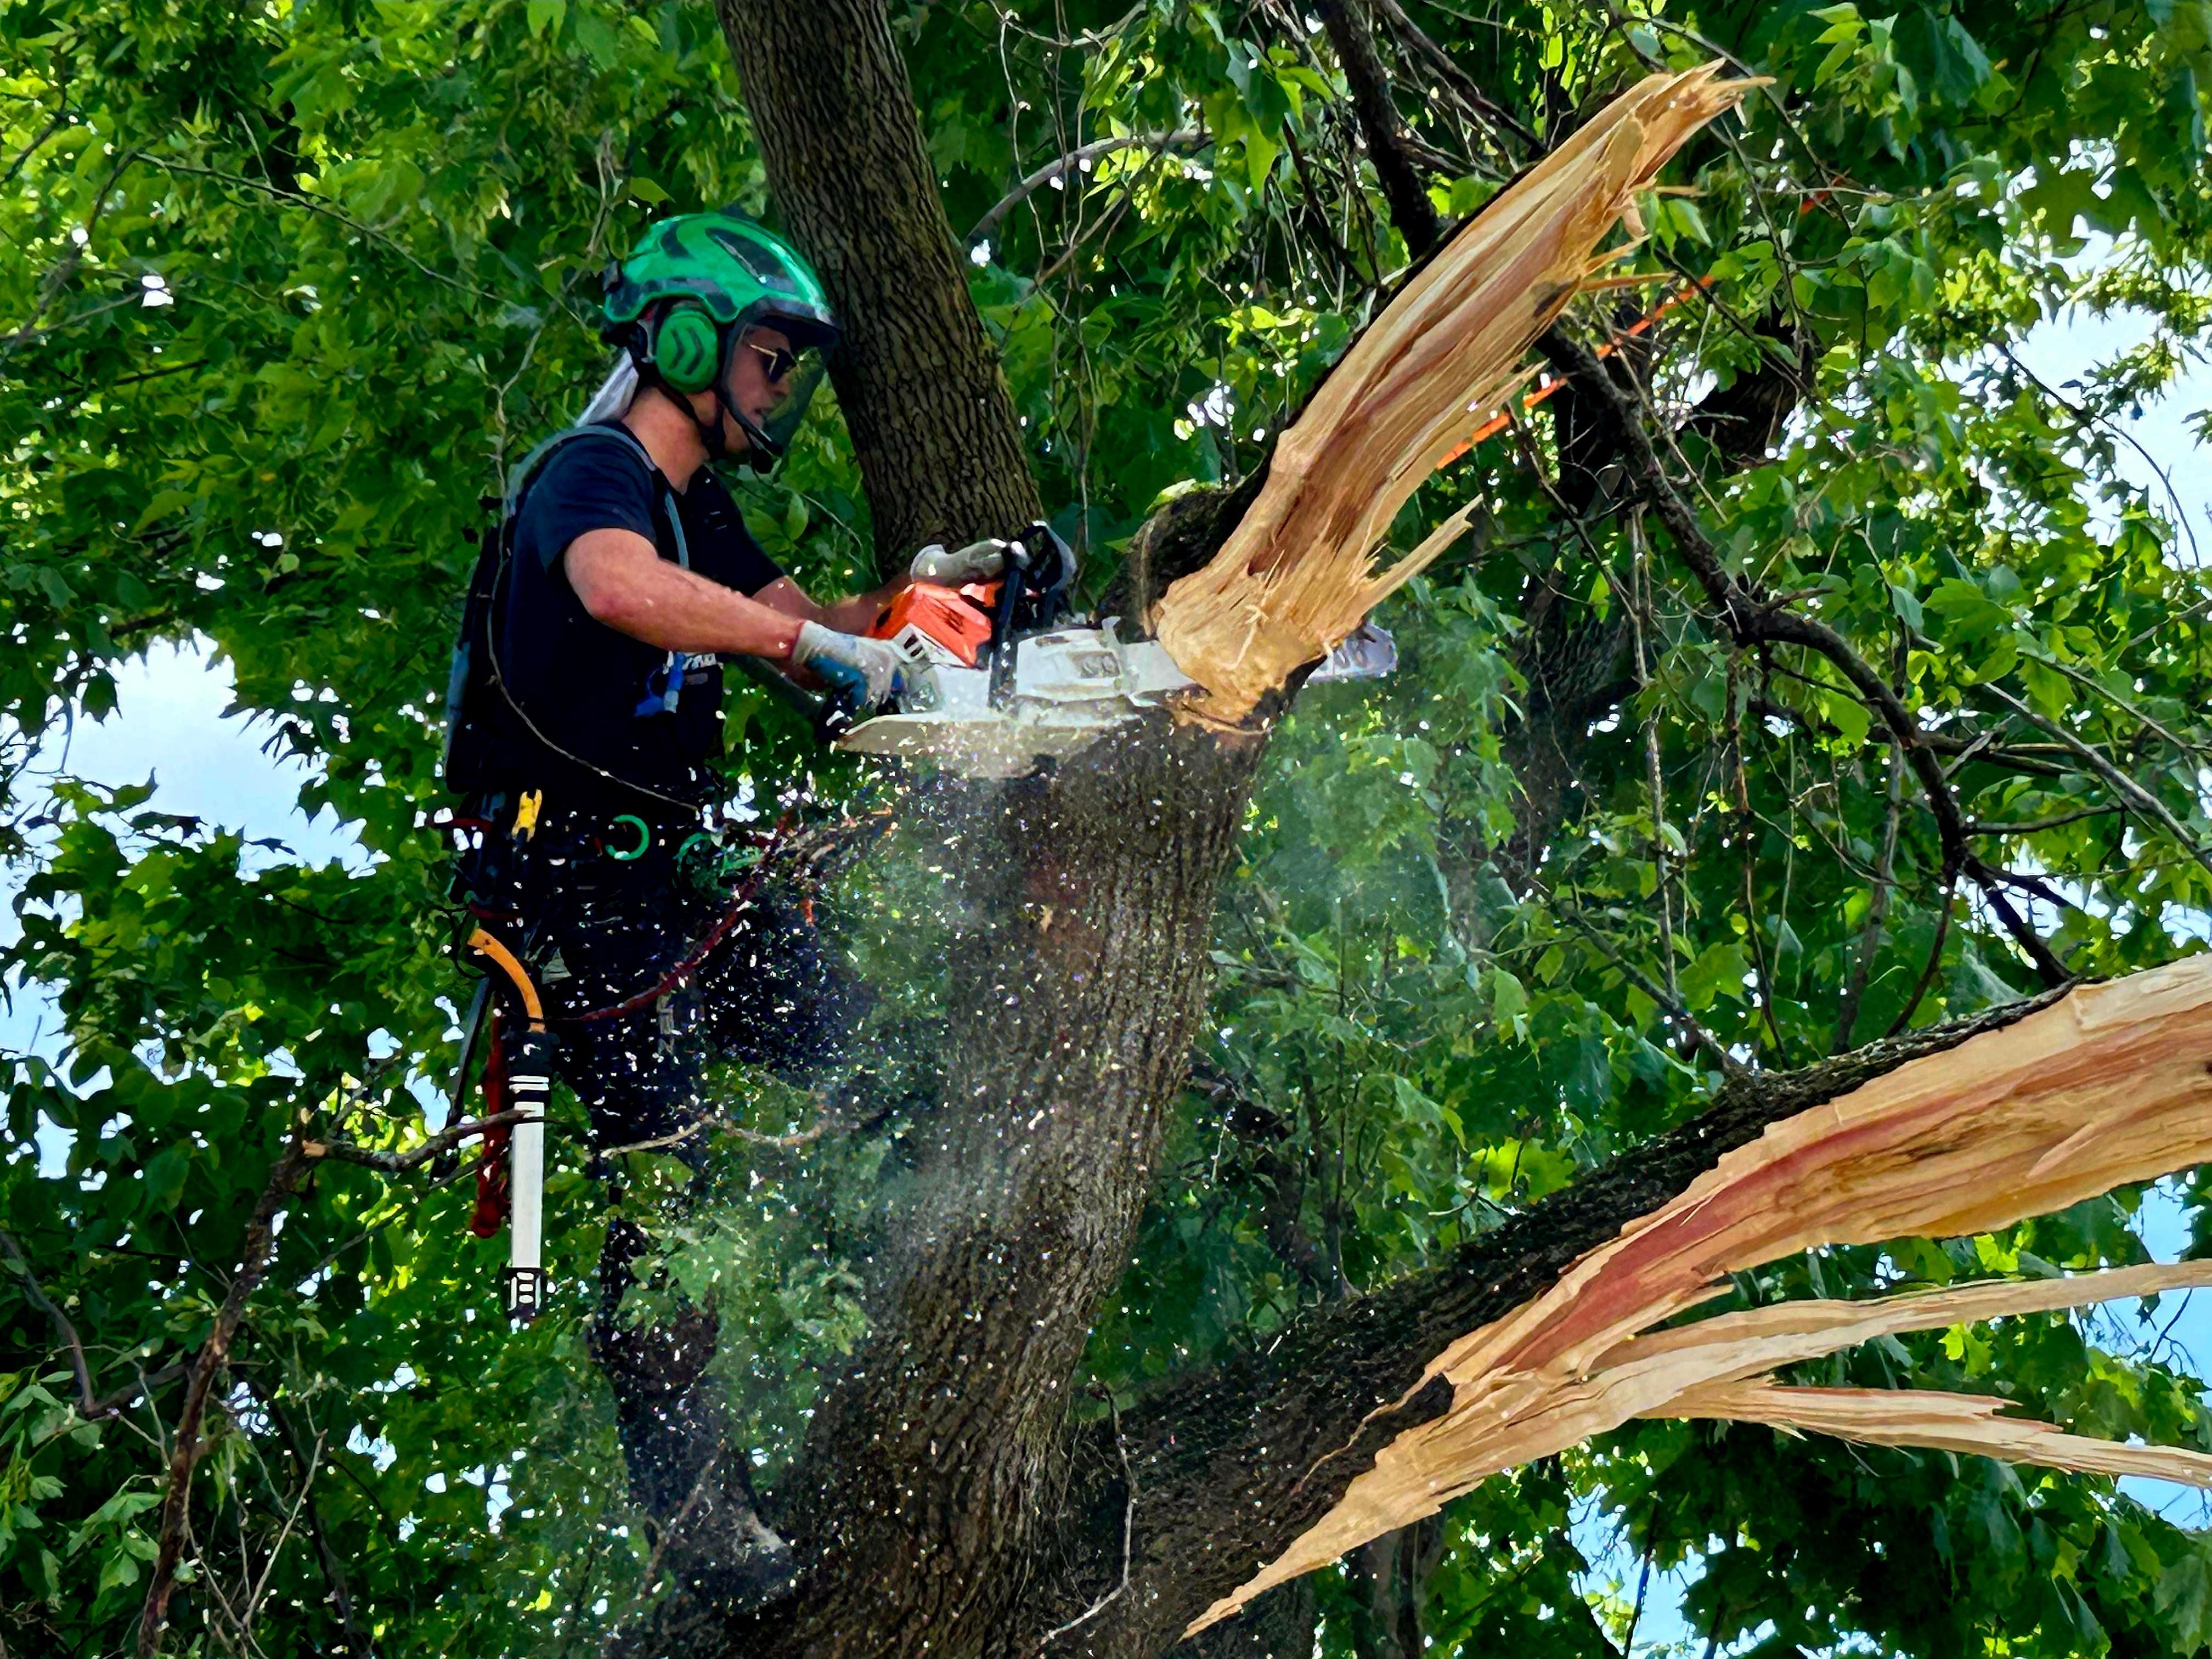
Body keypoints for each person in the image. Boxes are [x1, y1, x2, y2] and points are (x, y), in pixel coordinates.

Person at [444, 209, 1003, 1612]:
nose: (779, 387)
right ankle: (694, 1510)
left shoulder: (704, 510)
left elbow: (811, 628)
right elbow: (617, 590)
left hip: (678, 880)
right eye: (766, 356)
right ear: (684, 340)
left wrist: (914, 617)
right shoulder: (596, 475)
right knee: (670, 1179)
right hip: (570, 895)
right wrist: (807, 641)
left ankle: (913, 1338)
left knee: (875, 1062)